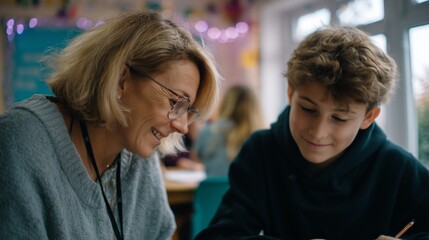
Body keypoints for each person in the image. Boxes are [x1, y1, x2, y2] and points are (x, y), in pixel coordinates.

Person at [0, 10, 221, 239]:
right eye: (176, 102)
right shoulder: (20, 141)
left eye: (188, 110)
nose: (183, 127)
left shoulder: (139, 155)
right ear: (121, 80)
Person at [195, 26, 429, 240]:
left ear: (368, 117)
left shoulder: (398, 169)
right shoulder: (261, 152)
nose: (318, 133)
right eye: (308, 109)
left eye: (339, 118)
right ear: (290, 93)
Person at [193, 85, 265, 177]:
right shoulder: (261, 140)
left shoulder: (207, 132)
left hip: (212, 191)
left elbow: (196, 159)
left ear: (225, 104)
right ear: (255, 110)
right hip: (246, 191)